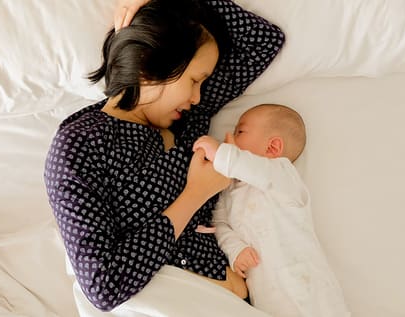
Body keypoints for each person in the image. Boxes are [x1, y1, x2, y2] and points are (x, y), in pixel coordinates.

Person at [44, 0, 285, 312]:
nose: (198, 95)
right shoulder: (79, 146)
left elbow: (263, 41)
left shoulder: (188, 117)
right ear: (150, 63)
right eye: (195, 80)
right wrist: (195, 194)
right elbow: (103, 285)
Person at [193, 104, 351, 317]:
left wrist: (222, 154)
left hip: (312, 293)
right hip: (269, 302)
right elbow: (220, 224)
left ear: (273, 148)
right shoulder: (229, 189)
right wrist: (235, 248)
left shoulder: (282, 175)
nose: (228, 136)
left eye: (240, 132)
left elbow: (253, 169)